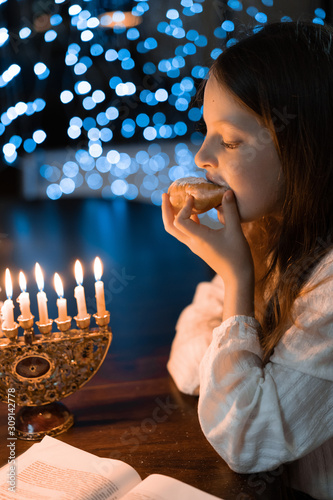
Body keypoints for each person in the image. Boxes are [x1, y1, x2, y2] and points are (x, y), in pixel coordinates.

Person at [161, 21, 333, 500]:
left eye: (230, 141)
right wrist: (232, 275)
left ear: (303, 150)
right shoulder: (268, 232)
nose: (201, 156)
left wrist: (236, 278)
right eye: (206, 132)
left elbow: (245, 440)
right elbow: (188, 365)